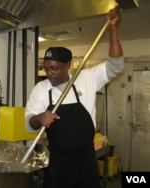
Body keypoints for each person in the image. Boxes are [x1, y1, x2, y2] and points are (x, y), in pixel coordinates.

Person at [25, 6, 123, 188]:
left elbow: (116, 66)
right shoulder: (40, 89)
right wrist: (39, 117)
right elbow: (29, 125)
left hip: (86, 161)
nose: (49, 73)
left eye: (54, 68)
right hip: (56, 165)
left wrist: (113, 29)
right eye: (46, 68)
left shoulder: (87, 78)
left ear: (68, 65)